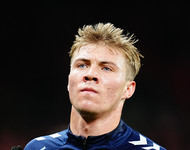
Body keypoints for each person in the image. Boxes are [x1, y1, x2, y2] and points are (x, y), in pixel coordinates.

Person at [24, 23, 166, 150]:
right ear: (69, 81)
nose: (90, 74)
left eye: (106, 68)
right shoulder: (37, 147)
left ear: (128, 89)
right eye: (82, 65)